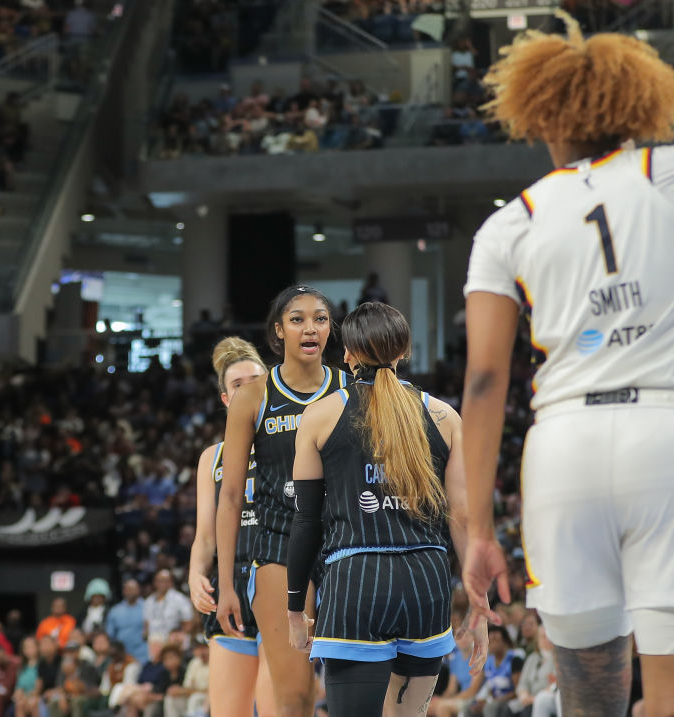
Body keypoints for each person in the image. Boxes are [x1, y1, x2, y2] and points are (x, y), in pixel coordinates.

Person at [459, 14, 674, 717]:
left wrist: (474, 527)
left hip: (563, 450)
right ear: (635, 105)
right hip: (673, 433)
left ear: (538, 116)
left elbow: (484, 382)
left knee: (591, 707)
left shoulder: (509, 224)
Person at [286, 302, 488, 715]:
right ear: (403, 352)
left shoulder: (320, 415)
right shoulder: (445, 416)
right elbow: (465, 519)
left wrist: (294, 609)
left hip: (356, 584)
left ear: (348, 354)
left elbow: (305, 520)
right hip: (427, 586)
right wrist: (479, 605)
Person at [216, 285, 350, 717]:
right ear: (279, 330)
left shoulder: (354, 388)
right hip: (278, 543)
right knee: (294, 699)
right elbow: (232, 494)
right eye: (298, 319)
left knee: (354, 693)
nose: (310, 327)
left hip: (347, 542)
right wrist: (224, 584)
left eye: (320, 318)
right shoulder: (253, 397)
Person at [188, 337, 274, 717]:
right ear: (225, 398)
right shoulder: (213, 457)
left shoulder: (293, 439)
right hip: (231, 585)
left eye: (257, 379)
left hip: (279, 576)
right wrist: (193, 574)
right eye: (238, 384)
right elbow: (205, 535)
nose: (250, 388)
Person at [105, 581, 148, 664]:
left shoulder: (147, 607)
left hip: (143, 656)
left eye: (133, 589)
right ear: (124, 591)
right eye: (128, 589)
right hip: (121, 656)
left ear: (139, 590)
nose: (130, 591)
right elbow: (110, 635)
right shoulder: (115, 611)